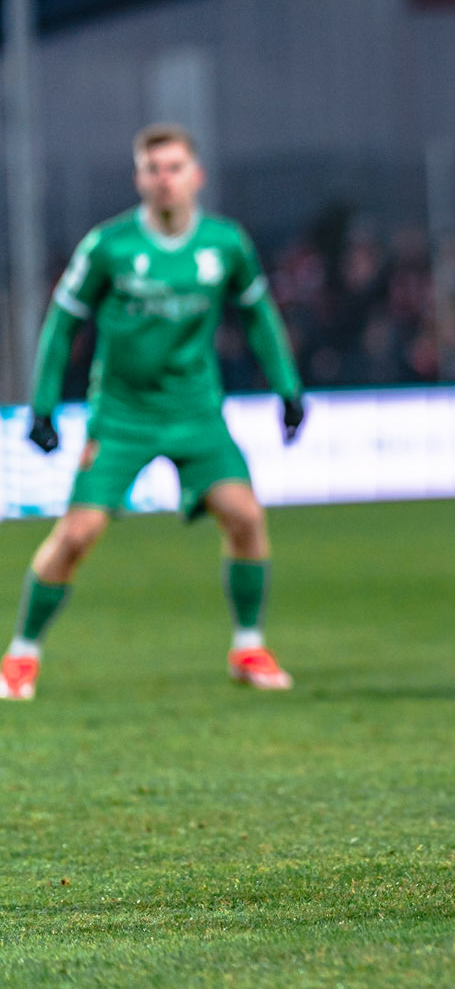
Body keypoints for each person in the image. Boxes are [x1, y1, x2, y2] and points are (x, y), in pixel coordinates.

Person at [0, 125, 306, 699]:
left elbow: (260, 318)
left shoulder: (226, 244)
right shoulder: (109, 246)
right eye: (152, 169)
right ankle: (20, 655)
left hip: (196, 411)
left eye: (174, 168)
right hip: (122, 415)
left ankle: (248, 646)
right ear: (139, 178)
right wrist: (43, 405)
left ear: (197, 176)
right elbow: (62, 325)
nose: (163, 180)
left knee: (245, 516)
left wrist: (289, 389)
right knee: (78, 533)